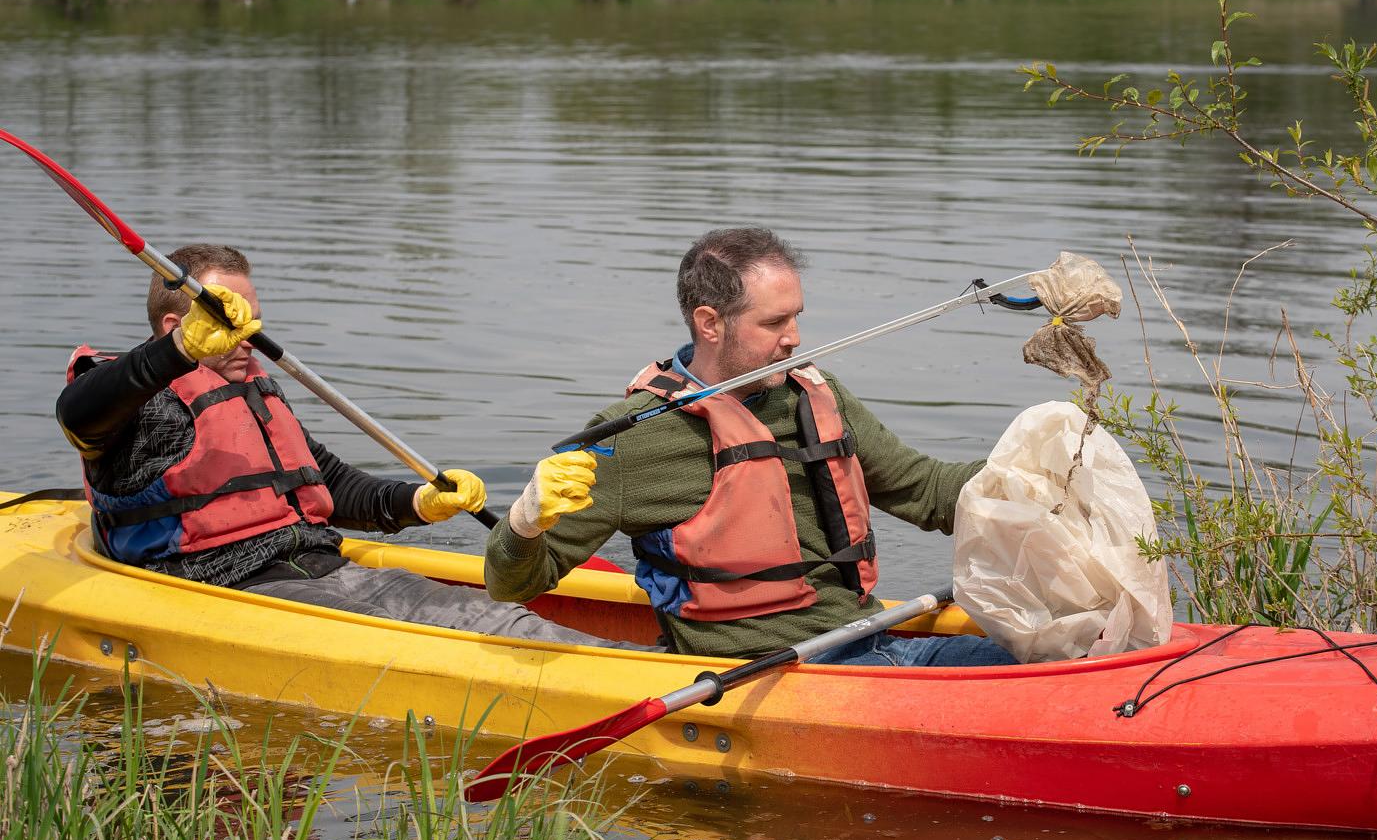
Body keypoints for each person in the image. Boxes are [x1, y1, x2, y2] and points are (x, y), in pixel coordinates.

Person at [57, 243, 649, 650]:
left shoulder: (249, 389)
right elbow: (80, 412)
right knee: (479, 629)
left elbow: (328, 483)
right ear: (174, 329)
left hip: (316, 566)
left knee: (498, 617)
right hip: (228, 592)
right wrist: (178, 356)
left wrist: (417, 503)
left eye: (254, 321)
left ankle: (658, 667)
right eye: (229, 322)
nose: (249, 339)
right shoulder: (136, 407)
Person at [485, 227, 1017, 666]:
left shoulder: (814, 394)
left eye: (797, 316)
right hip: (764, 673)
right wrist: (526, 522)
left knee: (1063, 652)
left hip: (869, 640)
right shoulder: (630, 438)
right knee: (1026, 677)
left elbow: (926, 491)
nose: (795, 338)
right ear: (710, 324)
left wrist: (1035, 473)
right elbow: (513, 582)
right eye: (774, 322)